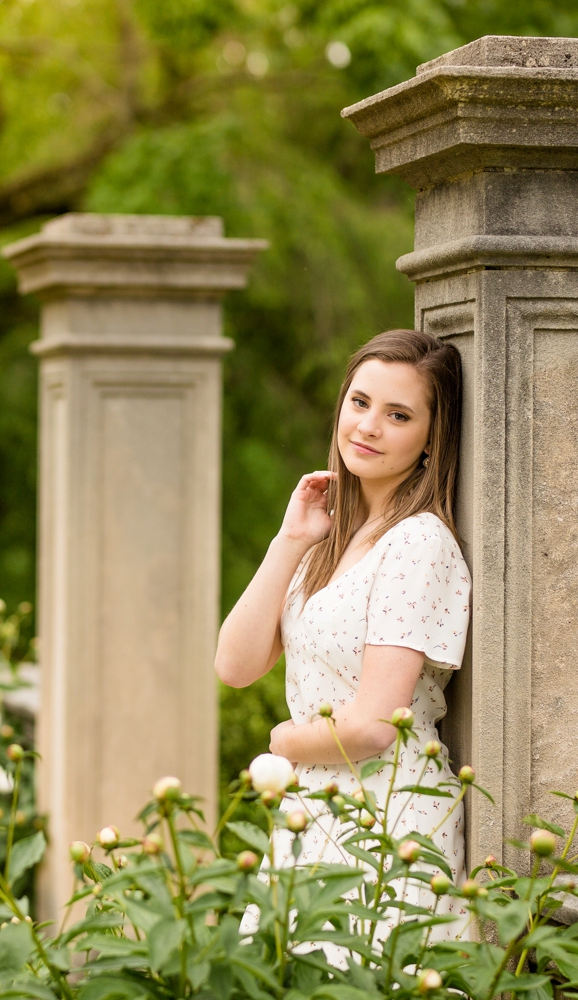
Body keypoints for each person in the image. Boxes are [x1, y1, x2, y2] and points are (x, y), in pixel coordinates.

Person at [215, 328, 471, 941]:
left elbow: (374, 727)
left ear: (432, 437)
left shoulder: (416, 542)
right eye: (360, 403)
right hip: (317, 809)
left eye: (398, 414)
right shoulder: (333, 537)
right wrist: (291, 540)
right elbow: (235, 664)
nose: (369, 426)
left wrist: (282, 743)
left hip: (385, 816)